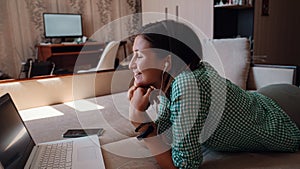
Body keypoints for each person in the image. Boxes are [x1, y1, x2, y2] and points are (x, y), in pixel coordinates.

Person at [127, 19, 300, 169]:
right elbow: (167, 136)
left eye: (139, 56)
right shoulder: (172, 82)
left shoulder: (187, 84)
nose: (131, 65)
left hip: (286, 112)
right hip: (264, 101)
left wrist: (139, 118)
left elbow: (183, 165)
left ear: (166, 61)